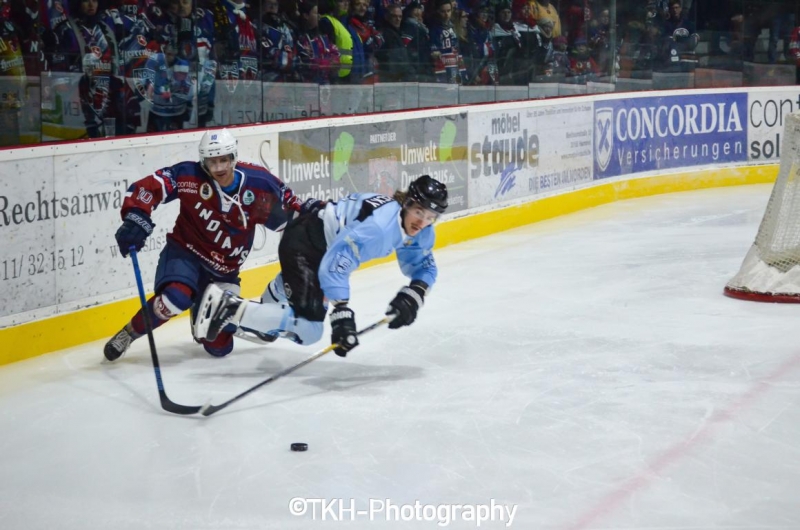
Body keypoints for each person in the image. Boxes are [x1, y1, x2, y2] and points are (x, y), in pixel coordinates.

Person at [103, 128, 320, 361]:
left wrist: (315, 225)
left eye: (223, 160)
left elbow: (295, 215)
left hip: (224, 272)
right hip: (185, 254)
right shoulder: (189, 176)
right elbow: (149, 187)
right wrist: (136, 215)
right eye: (212, 161)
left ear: (233, 157)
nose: (218, 168)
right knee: (175, 298)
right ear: (203, 161)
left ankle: (200, 308)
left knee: (220, 348)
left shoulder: (259, 185)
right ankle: (129, 333)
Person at [193, 175, 449, 358]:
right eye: (419, 212)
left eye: (431, 217)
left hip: (316, 238)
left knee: (280, 320)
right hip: (306, 245)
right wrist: (341, 312)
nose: (422, 222)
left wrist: (416, 292)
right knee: (309, 330)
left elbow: (424, 265)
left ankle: (273, 301)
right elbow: (335, 264)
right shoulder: (380, 230)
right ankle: (227, 306)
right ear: (407, 204)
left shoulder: (413, 226)